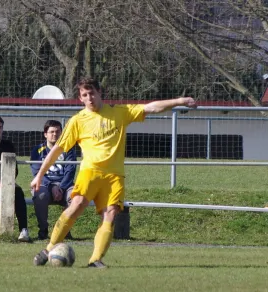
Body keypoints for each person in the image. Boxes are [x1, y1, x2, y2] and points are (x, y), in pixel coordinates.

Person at [32, 77, 197, 268]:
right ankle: (49, 248)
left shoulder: (120, 112)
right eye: (85, 95)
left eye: (92, 93)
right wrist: (39, 175)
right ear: (80, 99)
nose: (89, 98)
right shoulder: (77, 121)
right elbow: (57, 150)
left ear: (100, 92)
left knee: (110, 214)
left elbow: (150, 108)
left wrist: (179, 101)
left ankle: (96, 260)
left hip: (114, 176)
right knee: (76, 204)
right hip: (90, 172)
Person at [30, 119, 77, 240]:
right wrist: (52, 186)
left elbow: (70, 171)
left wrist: (61, 187)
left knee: (75, 197)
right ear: (45, 134)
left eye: (57, 132)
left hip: (64, 185)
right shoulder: (37, 150)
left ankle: (64, 230)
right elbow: (36, 172)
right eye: (51, 132)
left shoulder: (69, 149)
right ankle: (43, 230)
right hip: (44, 184)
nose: (54, 134)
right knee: (39, 195)